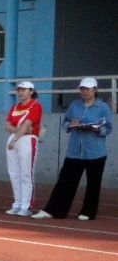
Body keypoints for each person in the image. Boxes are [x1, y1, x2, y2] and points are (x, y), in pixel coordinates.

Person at [32, 77, 113, 221]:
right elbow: (65, 123)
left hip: (96, 152)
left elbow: (108, 128)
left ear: (95, 89)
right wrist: (71, 125)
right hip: (74, 151)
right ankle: (53, 210)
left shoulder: (103, 107)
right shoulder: (74, 105)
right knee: (65, 182)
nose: (84, 92)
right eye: (82, 89)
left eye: (87, 89)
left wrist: (96, 130)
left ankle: (88, 212)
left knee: (93, 184)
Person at [5, 81, 42, 216]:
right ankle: (17, 203)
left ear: (31, 91)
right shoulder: (14, 107)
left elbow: (27, 125)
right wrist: (18, 132)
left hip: (27, 140)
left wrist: (15, 138)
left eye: (24, 90)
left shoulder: (35, 106)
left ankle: (26, 206)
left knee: (26, 173)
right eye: (19, 90)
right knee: (14, 173)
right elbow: (7, 125)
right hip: (14, 138)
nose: (21, 92)